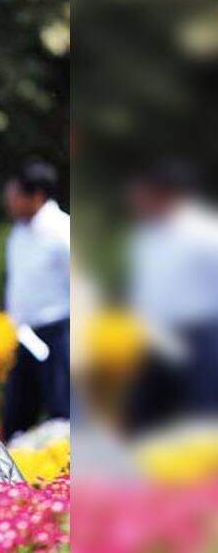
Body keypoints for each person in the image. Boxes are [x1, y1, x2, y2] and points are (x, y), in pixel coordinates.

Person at [124, 161, 218, 433]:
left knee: (199, 415)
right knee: (145, 420)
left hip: (199, 336)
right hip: (155, 335)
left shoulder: (204, 233)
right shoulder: (144, 234)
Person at [1, 160, 71, 438]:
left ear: (37, 195)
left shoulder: (62, 230)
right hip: (25, 334)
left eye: (15, 196)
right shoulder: (18, 234)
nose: (10, 203)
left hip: (58, 332)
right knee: (16, 415)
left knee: (62, 410)